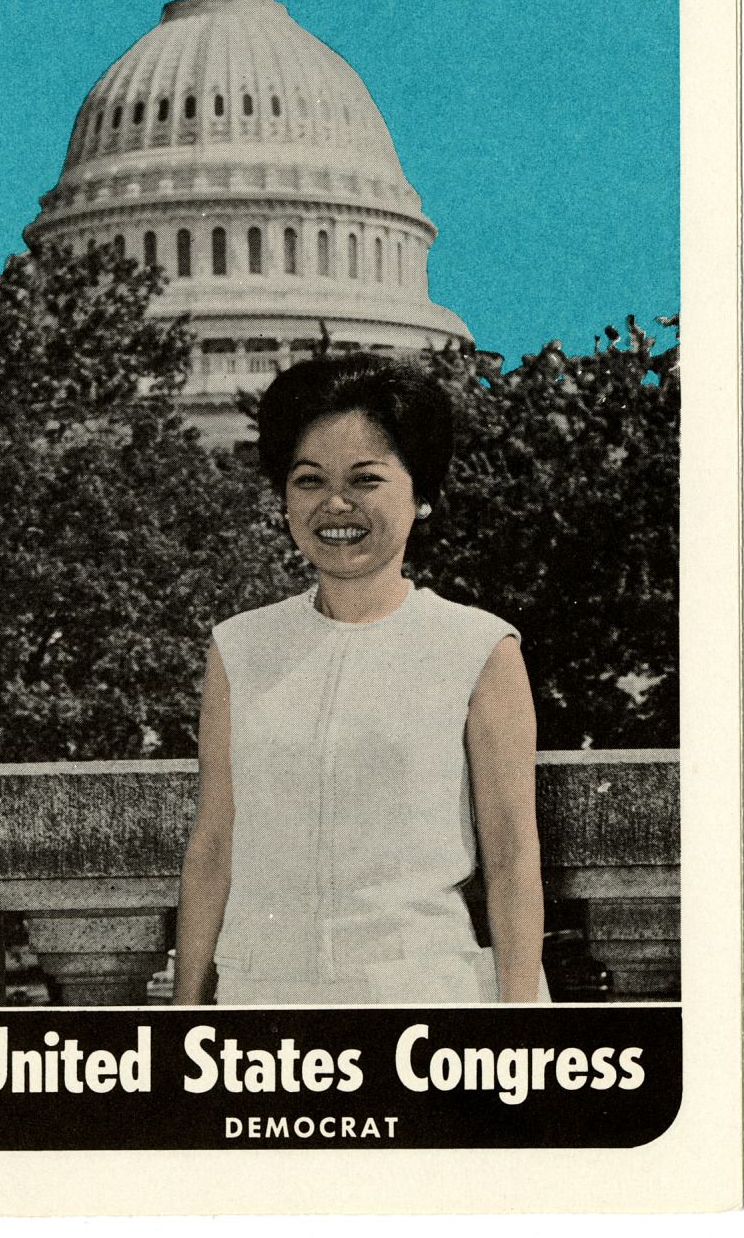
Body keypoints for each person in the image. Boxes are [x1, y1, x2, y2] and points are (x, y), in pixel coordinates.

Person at [173, 353, 548, 1006]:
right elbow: (214, 842)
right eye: (308, 479)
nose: (334, 504)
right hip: (264, 1004)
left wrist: (519, 1026)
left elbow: (512, 854)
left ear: (421, 493)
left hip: (424, 1003)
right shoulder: (239, 646)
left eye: (364, 478)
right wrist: (184, 1008)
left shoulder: (478, 646)